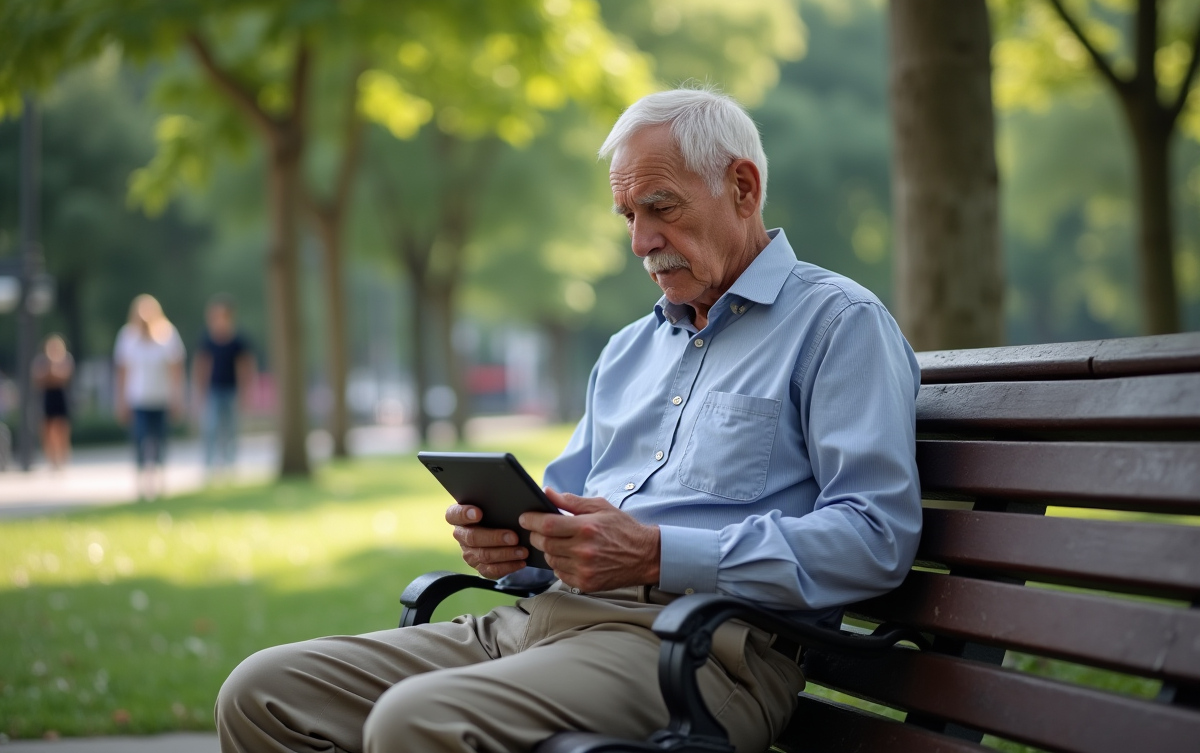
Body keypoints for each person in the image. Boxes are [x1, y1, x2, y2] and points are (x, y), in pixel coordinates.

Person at [216, 87, 922, 753]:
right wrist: (517, 543)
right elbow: (565, 505)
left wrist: (656, 553)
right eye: (628, 217)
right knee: (260, 693)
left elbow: (876, 538)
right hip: (538, 623)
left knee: (417, 722)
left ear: (743, 188)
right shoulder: (627, 351)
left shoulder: (838, 326)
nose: (642, 241)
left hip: (700, 651)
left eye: (661, 207)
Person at [114, 294, 186, 500]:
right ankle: (141, 484)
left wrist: (177, 398)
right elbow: (121, 372)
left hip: (161, 398)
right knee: (140, 439)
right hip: (137, 399)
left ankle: (159, 481)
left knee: (160, 440)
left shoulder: (167, 334)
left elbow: (176, 370)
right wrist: (120, 401)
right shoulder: (127, 337)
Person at [192, 294, 256, 480]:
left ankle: (230, 465)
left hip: (232, 390)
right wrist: (199, 392)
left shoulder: (238, 340)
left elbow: (246, 367)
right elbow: (201, 366)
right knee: (211, 428)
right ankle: (209, 466)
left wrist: (246, 393)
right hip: (213, 391)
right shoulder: (207, 339)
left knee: (231, 429)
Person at [32, 334, 75, 469]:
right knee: (47, 429)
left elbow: (64, 377)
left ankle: (63, 458)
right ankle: (52, 460)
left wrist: (52, 372)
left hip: (60, 396)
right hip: (47, 396)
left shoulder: (66, 359)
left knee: (62, 428)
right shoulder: (42, 361)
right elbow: (37, 379)